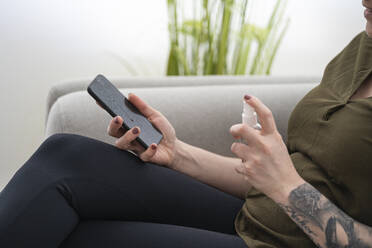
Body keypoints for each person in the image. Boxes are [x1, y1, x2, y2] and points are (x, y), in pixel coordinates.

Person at [1, 1, 372, 247]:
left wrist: (288, 187)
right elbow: (274, 180)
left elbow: (285, 184)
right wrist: (176, 154)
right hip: (257, 216)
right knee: (65, 154)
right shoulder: (364, 45)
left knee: (78, 239)